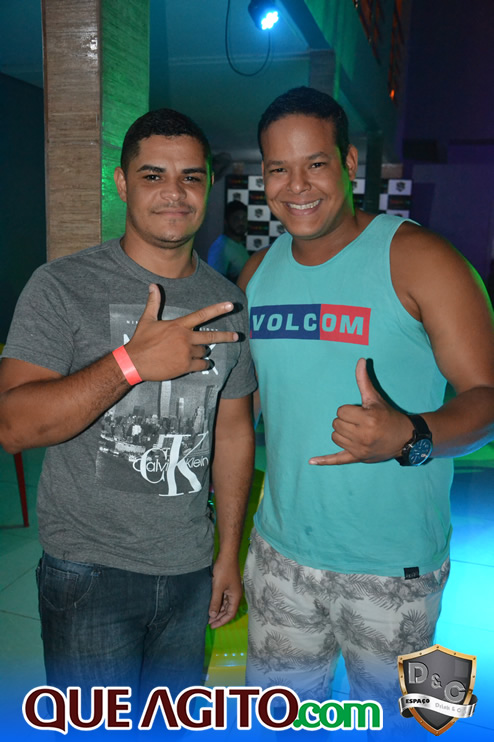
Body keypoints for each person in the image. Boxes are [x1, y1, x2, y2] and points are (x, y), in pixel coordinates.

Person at [238, 87, 494, 735]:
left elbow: (487, 397)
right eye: (279, 168)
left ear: (348, 162)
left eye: (316, 164)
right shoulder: (257, 275)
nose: (297, 186)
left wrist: (410, 434)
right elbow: (244, 410)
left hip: (396, 569)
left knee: (404, 726)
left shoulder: (422, 260)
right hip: (280, 557)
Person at [0, 108, 256, 715]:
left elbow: (233, 431)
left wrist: (228, 554)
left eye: (191, 177)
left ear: (208, 186)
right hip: (89, 570)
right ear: (121, 183)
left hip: (191, 566)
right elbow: (13, 427)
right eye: (153, 175)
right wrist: (130, 363)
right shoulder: (60, 286)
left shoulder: (228, 300)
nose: (175, 192)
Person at [208, 200, 249, 281]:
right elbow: (215, 281)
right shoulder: (220, 247)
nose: (241, 222)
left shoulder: (238, 245)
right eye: (236, 218)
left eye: (244, 218)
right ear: (226, 222)